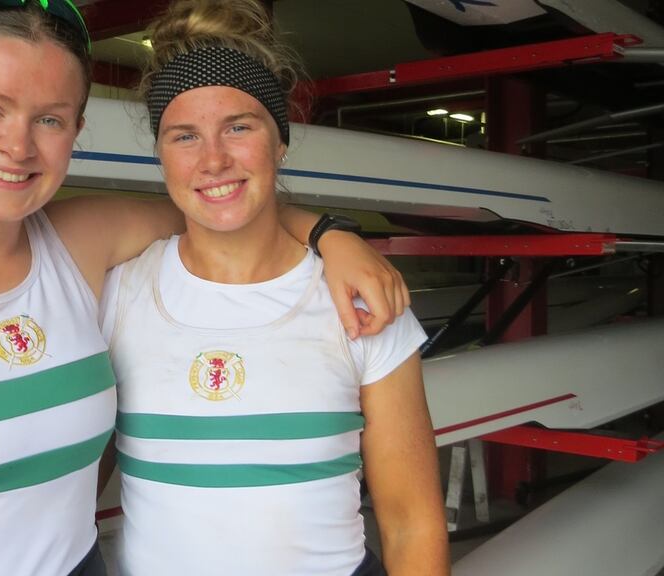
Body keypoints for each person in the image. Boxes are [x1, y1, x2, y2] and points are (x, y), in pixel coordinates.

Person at [0, 1, 410, 575]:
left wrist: (330, 236)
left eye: (50, 119)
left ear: (75, 133)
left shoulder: (82, 243)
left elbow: (222, 203)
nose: (19, 145)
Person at [98, 1, 449, 574]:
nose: (213, 159)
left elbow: (412, 521)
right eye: (185, 136)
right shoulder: (115, 296)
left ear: (280, 140)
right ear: (160, 154)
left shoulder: (360, 302)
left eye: (239, 127)